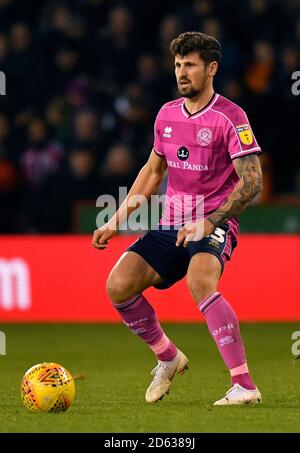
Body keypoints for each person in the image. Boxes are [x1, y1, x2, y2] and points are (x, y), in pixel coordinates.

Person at [92, 32, 263, 406]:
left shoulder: (230, 117)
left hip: (214, 221)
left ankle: (244, 385)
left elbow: (253, 183)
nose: (182, 72)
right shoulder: (167, 114)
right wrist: (115, 221)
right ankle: (168, 357)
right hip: (172, 223)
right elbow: (153, 173)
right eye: (178, 65)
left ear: (211, 68)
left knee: (200, 280)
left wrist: (212, 220)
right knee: (118, 285)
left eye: (190, 65)